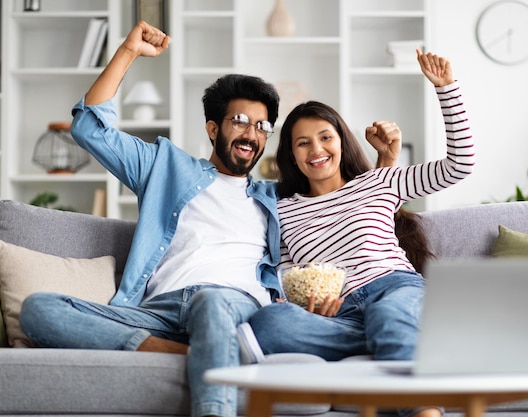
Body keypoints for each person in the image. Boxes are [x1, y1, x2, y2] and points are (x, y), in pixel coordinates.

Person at [18, 21, 400, 417]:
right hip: (156, 313)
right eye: (239, 122)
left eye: (262, 126)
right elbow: (89, 129)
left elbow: (347, 211)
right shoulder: (166, 166)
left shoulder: (277, 197)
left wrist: (386, 162)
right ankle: (191, 352)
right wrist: (128, 52)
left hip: (232, 307)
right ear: (213, 128)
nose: (252, 133)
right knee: (39, 309)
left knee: (211, 300)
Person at [238, 49, 475, 417]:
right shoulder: (282, 209)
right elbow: (285, 273)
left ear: (341, 141)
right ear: (292, 154)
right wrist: (306, 306)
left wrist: (447, 89)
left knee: (390, 315)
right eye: (303, 143)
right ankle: (398, 341)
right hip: (340, 314)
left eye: (325, 137)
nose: (316, 149)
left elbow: (460, 165)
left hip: (396, 288)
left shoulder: (380, 181)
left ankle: (423, 409)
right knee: (268, 324)